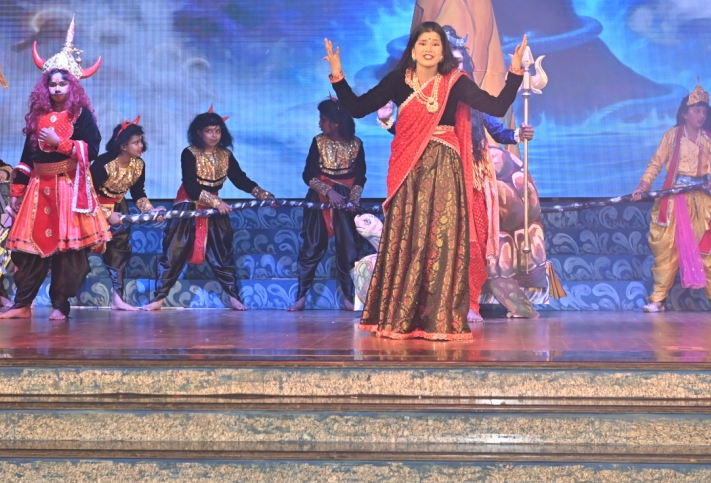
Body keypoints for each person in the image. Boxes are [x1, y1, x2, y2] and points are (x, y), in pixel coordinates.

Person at [324, 21, 526, 340]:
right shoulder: (398, 80)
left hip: (445, 167)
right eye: (423, 43)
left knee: (441, 241)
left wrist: (514, 73)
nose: (429, 48)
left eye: (435, 43)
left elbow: (497, 106)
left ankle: (438, 317)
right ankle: (401, 315)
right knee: (407, 239)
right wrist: (337, 75)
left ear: (442, 51)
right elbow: (359, 108)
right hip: (408, 169)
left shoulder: (456, 82)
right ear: (414, 50)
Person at [0, 17, 110, 321]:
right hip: (38, 189)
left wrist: (61, 143)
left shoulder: (81, 115)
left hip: (67, 187)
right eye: (53, 83)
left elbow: (93, 149)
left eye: (63, 83)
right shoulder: (39, 116)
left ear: (72, 86)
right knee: (27, 250)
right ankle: (22, 304)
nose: (57, 88)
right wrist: (17, 193)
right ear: (45, 87)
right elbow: (26, 158)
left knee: (67, 252)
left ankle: (60, 305)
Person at [151, 109, 275, 311]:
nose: (214, 135)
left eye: (217, 130)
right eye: (209, 131)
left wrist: (261, 194)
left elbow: (240, 179)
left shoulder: (225, 155)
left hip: (214, 208)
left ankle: (233, 297)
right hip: (188, 206)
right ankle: (158, 299)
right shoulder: (189, 153)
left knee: (221, 253)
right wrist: (216, 203)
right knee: (174, 253)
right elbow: (191, 186)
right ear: (199, 132)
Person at [631, 81, 711, 313]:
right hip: (674, 198)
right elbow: (656, 163)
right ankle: (658, 299)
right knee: (667, 248)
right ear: (684, 113)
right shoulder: (672, 136)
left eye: (704, 112)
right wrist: (643, 185)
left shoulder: (710, 139)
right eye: (696, 111)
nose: (701, 116)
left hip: (702, 200)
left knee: (710, 247)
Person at [293, 98, 367, 311]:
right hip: (319, 198)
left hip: (345, 201)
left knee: (348, 248)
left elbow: (360, 176)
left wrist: (353, 199)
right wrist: (328, 191)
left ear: (336, 123)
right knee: (312, 246)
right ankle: (301, 296)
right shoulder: (318, 142)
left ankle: (349, 297)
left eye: (323, 119)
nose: (320, 123)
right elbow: (308, 175)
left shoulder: (356, 143)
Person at [91, 118, 162, 311]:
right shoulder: (103, 164)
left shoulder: (138, 165)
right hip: (92, 210)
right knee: (77, 254)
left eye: (141, 141)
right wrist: (106, 214)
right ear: (123, 145)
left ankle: (117, 300)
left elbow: (138, 193)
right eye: (136, 142)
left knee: (119, 253)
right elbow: (86, 194)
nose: (141, 146)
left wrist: (150, 210)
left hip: (119, 208)